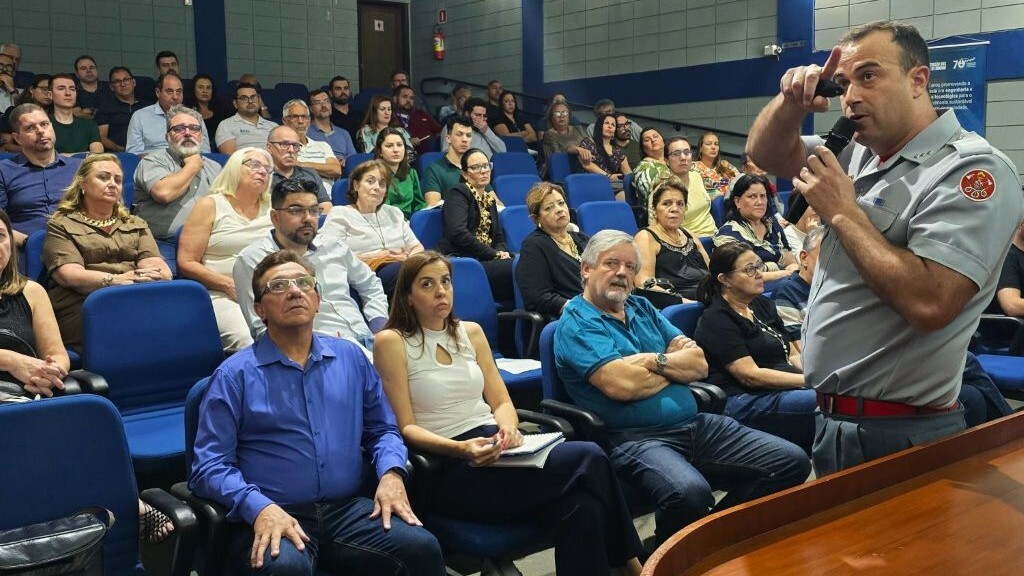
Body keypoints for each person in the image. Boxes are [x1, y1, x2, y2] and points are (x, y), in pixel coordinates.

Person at [746, 20, 1023, 475]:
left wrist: (842, 211)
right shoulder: (855, 151)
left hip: (902, 431)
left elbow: (931, 302)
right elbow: (769, 153)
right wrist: (791, 104)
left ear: (919, 80)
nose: (850, 95)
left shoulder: (972, 171)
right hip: (835, 420)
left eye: (868, 76)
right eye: (843, 82)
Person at [374, 251, 645, 576]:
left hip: (499, 448)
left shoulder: (470, 332)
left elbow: (502, 403)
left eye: (445, 281)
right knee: (589, 456)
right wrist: (461, 449)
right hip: (449, 463)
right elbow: (405, 427)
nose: (440, 291)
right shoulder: (391, 341)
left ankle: (632, 567)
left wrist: (509, 429)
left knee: (582, 506)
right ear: (407, 295)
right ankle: (636, 567)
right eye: (427, 284)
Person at [190, 249, 446, 576]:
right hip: (275, 512)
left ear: (317, 298)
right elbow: (209, 467)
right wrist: (260, 507)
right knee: (287, 569)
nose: (295, 291)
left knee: (422, 547)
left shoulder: (351, 358)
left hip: (347, 511)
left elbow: (383, 431)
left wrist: (391, 473)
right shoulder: (234, 376)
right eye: (278, 286)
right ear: (259, 310)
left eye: (303, 283)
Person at [554, 230, 810, 543]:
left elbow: (699, 364)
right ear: (586, 269)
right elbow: (621, 386)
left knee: (791, 462)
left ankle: (706, 540)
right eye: (611, 264)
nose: (622, 272)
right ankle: (675, 556)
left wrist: (648, 361)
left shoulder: (642, 308)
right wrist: (672, 365)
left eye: (630, 267)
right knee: (689, 492)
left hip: (695, 423)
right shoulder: (577, 323)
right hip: (634, 439)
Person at [233, 177, 388, 349]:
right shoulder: (252, 260)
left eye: (314, 210)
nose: (308, 218)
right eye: (296, 211)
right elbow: (261, 327)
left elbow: (371, 285)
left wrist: (379, 325)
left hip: (367, 340)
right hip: (315, 352)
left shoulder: (334, 246)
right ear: (275, 217)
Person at [693, 242, 815, 454]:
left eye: (759, 266)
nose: (760, 274)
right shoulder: (716, 319)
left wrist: (812, 375)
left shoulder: (761, 305)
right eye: (750, 269)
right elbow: (750, 375)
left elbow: (793, 354)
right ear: (725, 280)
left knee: (836, 392)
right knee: (825, 400)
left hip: (782, 387)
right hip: (744, 399)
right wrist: (810, 382)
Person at [43, 154, 172, 350]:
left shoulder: (135, 223)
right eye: (103, 177)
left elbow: (160, 270)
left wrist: (137, 280)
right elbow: (69, 275)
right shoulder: (61, 224)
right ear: (83, 184)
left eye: (118, 180)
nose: (112, 184)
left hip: (133, 299)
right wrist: (114, 281)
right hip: (83, 306)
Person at [177, 148, 273, 353]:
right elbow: (186, 262)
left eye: (267, 168)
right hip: (224, 293)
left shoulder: (273, 207)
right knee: (249, 340)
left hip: (271, 291)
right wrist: (228, 284)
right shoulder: (210, 205)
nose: (263, 171)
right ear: (234, 168)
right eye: (254, 165)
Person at [321, 161, 423, 297]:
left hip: (400, 265)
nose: (377, 187)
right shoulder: (340, 213)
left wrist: (407, 258)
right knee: (406, 274)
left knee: (434, 267)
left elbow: (418, 247)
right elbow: (332, 256)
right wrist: (380, 255)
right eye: (370, 181)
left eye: (382, 184)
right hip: (364, 271)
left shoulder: (394, 212)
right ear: (356, 185)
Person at [0, 208, 69, 396]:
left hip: (26, 398)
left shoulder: (32, 291)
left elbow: (58, 355)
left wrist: (49, 372)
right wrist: (9, 360)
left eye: (1, 236)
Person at [133, 106, 222, 246]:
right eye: (179, 129)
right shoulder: (152, 161)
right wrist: (192, 165)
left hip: (207, 242)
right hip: (162, 242)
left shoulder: (214, 167)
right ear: (167, 137)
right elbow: (164, 193)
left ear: (201, 136)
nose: (187, 133)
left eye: (194, 128)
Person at [437, 148, 513, 308]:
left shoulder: (489, 200)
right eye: (476, 167)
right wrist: (494, 254)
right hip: (465, 260)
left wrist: (501, 252)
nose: (484, 171)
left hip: (487, 259)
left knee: (525, 258)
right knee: (519, 266)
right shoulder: (457, 193)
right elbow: (458, 234)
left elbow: (498, 237)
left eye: (486, 166)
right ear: (465, 174)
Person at [0, 104, 82, 247]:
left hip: (77, 244)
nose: (40, 131)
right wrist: (30, 243)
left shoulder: (79, 167)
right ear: (17, 138)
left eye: (44, 124)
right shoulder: (4, 171)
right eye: (30, 128)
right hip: (23, 248)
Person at [515, 182, 588, 318]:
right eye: (549, 208)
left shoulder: (581, 239)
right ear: (535, 219)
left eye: (561, 203)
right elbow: (538, 297)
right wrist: (579, 308)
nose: (559, 210)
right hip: (571, 318)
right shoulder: (534, 246)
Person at [634, 176, 710, 303]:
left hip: (708, 301)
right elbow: (644, 284)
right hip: (678, 308)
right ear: (654, 209)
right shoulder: (646, 237)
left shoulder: (690, 235)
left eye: (680, 204)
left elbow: (712, 273)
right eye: (666, 203)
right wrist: (685, 303)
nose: (674, 209)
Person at [713, 174, 797, 284]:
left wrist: (793, 269)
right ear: (737, 201)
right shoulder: (728, 234)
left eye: (763, 196)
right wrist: (784, 273)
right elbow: (741, 277)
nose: (759, 202)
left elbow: (791, 262)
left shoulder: (772, 224)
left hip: (782, 285)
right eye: (752, 196)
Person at [126, 73, 211, 155]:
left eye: (179, 91)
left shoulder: (194, 117)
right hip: (154, 165)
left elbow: (205, 152)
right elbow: (134, 154)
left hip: (189, 162)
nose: (175, 97)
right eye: (170, 91)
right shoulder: (140, 117)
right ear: (158, 92)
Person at [771, 226, 824, 349]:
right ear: (804, 258)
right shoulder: (786, 293)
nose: (832, 263)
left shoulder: (838, 288)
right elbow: (801, 349)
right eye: (825, 257)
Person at [266, 125, 332, 213]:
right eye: (284, 144)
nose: (291, 150)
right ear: (269, 147)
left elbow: (326, 206)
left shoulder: (310, 174)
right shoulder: (262, 175)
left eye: (295, 145)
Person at [281, 99, 341, 195]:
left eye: (304, 117)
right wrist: (322, 169)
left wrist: (300, 164)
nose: (300, 121)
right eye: (295, 117)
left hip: (329, 200)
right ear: (285, 121)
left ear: (309, 121)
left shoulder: (322, 145)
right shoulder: (281, 147)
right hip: (300, 198)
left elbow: (336, 169)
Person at [665, 136, 716, 237]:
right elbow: (659, 229)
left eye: (687, 152)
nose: (683, 158)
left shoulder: (697, 175)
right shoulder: (663, 189)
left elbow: (714, 194)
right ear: (667, 160)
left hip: (715, 237)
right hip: (688, 242)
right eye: (676, 154)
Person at [422, 115, 473, 207]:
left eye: (468, 135)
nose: (465, 139)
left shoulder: (477, 167)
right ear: (448, 138)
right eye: (459, 134)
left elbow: (496, 203)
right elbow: (434, 207)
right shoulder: (434, 170)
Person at [373, 126, 424, 218]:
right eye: (389, 146)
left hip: (408, 223)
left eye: (399, 145)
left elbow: (419, 204)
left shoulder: (411, 173)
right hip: (384, 223)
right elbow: (378, 210)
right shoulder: (373, 175)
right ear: (380, 151)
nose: (396, 150)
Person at [96, 67, 149, 153]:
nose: (123, 84)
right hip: (118, 154)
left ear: (134, 82)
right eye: (117, 81)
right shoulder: (105, 108)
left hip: (148, 153)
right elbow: (102, 137)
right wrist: (121, 149)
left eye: (126, 79)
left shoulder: (147, 107)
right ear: (111, 87)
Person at [216, 83, 278, 155]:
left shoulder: (274, 126)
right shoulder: (226, 125)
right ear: (235, 104)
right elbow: (230, 159)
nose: (250, 101)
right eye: (244, 98)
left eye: (253, 97)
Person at [48, 74, 102, 154]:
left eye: (72, 89)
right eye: (61, 89)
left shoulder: (89, 125)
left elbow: (97, 154)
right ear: (50, 95)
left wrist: (65, 156)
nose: (68, 93)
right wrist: (83, 155)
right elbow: (44, 157)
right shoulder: (42, 125)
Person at [436, 98, 506, 159]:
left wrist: (487, 131)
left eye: (484, 116)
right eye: (477, 115)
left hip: (489, 170)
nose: (481, 119)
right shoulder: (452, 126)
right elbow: (447, 153)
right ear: (467, 114)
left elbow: (502, 151)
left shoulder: (486, 130)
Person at [578, 113, 630, 193]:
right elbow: (587, 165)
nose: (610, 126)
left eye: (613, 125)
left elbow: (629, 174)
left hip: (612, 186)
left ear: (614, 132)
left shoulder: (617, 151)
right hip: (590, 184)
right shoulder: (588, 142)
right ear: (599, 126)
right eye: (606, 123)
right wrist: (608, 176)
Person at [631, 127, 670, 226]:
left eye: (655, 136)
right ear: (643, 148)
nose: (653, 140)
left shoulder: (674, 161)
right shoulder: (644, 168)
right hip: (660, 219)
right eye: (647, 140)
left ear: (663, 141)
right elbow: (657, 198)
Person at [307, 88, 357, 163]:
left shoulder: (343, 133)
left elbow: (353, 161)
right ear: (311, 109)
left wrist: (344, 162)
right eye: (318, 103)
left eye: (327, 101)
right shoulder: (306, 133)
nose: (324, 105)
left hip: (344, 171)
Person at [393, 84, 440, 155]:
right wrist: (407, 141)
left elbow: (439, 130)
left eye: (411, 98)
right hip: (406, 154)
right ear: (395, 99)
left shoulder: (421, 113)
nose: (408, 100)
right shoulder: (390, 116)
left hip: (429, 150)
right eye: (405, 97)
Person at [540, 101, 589, 167]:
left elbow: (590, 145)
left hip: (586, 163)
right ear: (551, 118)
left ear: (569, 116)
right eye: (557, 113)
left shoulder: (578, 129)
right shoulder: (549, 135)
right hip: (564, 167)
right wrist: (576, 150)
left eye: (565, 112)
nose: (561, 116)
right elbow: (558, 157)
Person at [694, 132, 738, 198]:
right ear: (700, 148)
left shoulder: (725, 164)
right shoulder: (694, 167)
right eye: (708, 144)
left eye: (716, 144)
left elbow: (741, 181)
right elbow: (706, 193)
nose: (713, 147)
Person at [188, 73, 230, 139]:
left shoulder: (221, 111)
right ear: (193, 90)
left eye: (208, 88)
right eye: (200, 87)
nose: (205, 91)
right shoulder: (187, 110)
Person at [327, 75, 360, 142]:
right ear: (330, 93)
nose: (343, 92)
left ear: (350, 92)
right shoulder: (327, 117)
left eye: (346, 88)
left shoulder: (360, 115)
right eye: (338, 89)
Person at [72, 55, 102, 120]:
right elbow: (77, 115)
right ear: (77, 74)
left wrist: (90, 111)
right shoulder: (73, 91)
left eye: (92, 67)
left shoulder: (109, 87)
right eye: (83, 68)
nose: (89, 71)